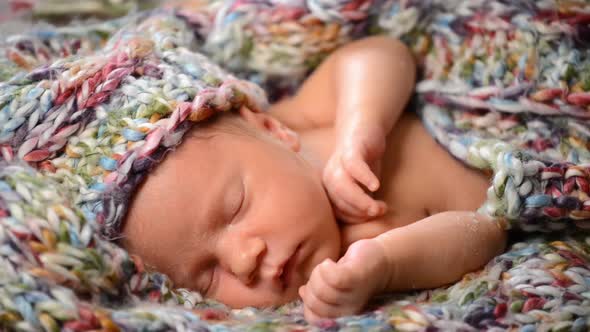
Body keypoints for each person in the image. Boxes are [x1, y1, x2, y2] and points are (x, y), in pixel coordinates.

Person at [121, 36, 507, 322]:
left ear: (272, 129)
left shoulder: (300, 123)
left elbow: (379, 53)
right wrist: (386, 264)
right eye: (207, 276)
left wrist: (361, 124)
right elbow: (487, 232)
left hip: (488, 111)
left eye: (236, 206)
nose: (243, 260)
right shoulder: (354, 260)